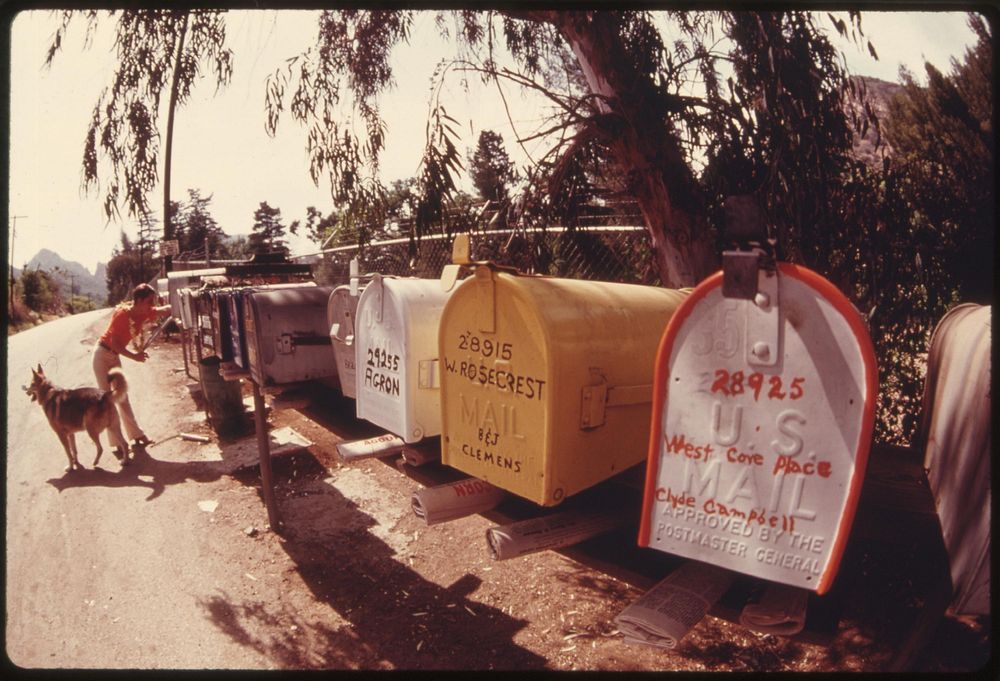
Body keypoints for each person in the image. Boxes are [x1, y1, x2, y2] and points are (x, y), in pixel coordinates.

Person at [93, 283, 172, 448]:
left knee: (122, 396)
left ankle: (136, 435)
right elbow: (114, 343)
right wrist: (134, 357)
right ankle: (117, 442)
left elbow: (162, 310)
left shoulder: (143, 313)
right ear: (139, 300)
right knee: (108, 400)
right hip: (102, 355)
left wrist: (181, 302)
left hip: (114, 356)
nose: (152, 305)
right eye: (150, 301)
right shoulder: (122, 315)